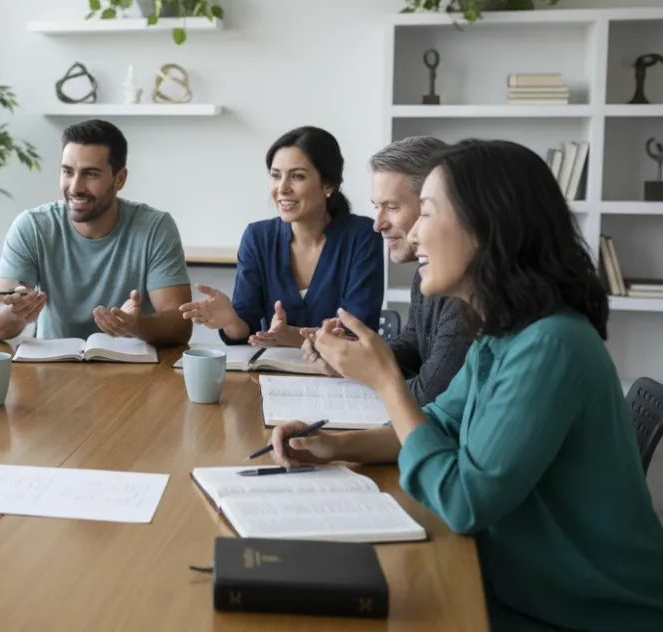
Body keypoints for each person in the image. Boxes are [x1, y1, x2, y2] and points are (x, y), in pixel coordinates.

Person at [272, 139, 663, 632]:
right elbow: (435, 426)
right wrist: (333, 447)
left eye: (426, 214)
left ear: (484, 229)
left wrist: (387, 382)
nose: (412, 237)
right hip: (518, 588)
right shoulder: (499, 332)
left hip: (585, 614)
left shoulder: (551, 345)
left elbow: (464, 503)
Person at [0, 119, 192, 345]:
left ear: (119, 179)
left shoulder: (155, 228)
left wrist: (136, 324)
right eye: (68, 172)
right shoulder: (32, 226)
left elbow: (180, 325)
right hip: (53, 370)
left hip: (133, 370)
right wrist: (15, 313)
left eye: (90, 174)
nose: (75, 187)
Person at [300, 136, 473, 404]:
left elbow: (429, 395)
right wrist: (350, 356)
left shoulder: (468, 293)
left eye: (392, 207)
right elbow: (413, 347)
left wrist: (364, 371)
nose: (377, 224)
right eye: (376, 207)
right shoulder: (425, 272)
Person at [180, 126, 383, 347]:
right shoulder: (257, 237)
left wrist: (291, 336)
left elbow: (357, 330)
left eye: (297, 176)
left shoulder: (362, 235)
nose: (282, 188)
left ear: (329, 184)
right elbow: (245, 328)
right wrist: (230, 321)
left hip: (341, 375)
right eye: (276, 175)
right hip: (270, 373)